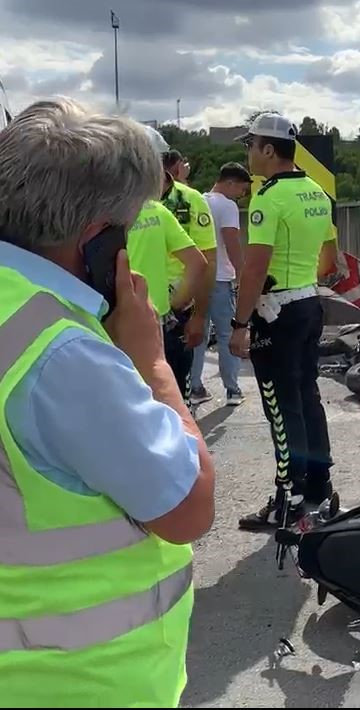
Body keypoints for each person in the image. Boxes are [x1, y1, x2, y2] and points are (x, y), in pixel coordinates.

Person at [0, 98, 215, 706]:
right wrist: (151, 362)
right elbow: (186, 509)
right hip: (73, 683)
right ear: (97, 240)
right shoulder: (60, 351)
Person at [231, 112, 338, 530]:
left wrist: (240, 325)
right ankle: (317, 485)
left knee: (281, 406)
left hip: (277, 313)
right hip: (310, 303)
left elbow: (254, 269)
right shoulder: (316, 192)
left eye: (250, 145)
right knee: (307, 394)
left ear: (268, 149)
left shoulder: (268, 198)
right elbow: (328, 259)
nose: (248, 154)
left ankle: (288, 502)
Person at [127, 127, 208, 353]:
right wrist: (174, 305)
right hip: (158, 322)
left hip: (120, 326)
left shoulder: (102, 214)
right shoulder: (158, 211)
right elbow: (199, 263)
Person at [189, 162, 252, 407]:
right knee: (227, 334)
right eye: (242, 190)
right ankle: (232, 390)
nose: (242, 195)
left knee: (198, 335)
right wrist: (244, 276)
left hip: (196, 278)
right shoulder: (227, 205)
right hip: (221, 278)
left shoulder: (197, 200)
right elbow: (232, 244)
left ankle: (194, 387)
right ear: (231, 183)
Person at [161, 150, 217, 403]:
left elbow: (207, 261)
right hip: (137, 310)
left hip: (179, 308)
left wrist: (199, 316)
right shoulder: (124, 203)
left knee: (179, 392)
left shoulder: (190, 200)